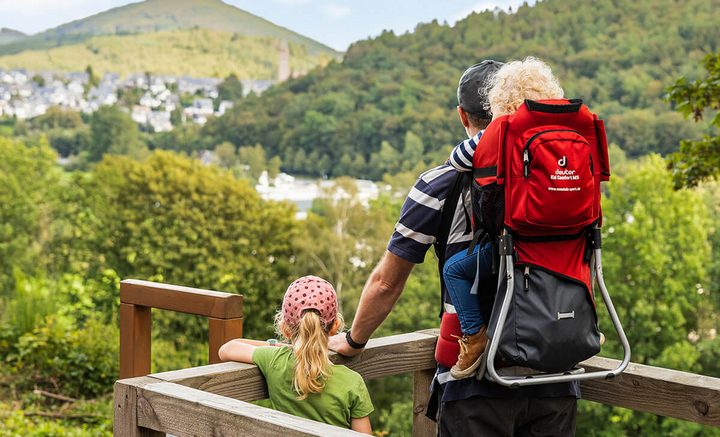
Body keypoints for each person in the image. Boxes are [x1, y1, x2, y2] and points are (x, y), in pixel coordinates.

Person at [329, 59, 579, 436]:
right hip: (557, 364)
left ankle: (475, 337)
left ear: (464, 116)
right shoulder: (563, 174)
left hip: (478, 383)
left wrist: (353, 340)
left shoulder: (439, 184)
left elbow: (386, 283)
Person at [444, 57, 566, 379]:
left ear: (500, 100)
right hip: (567, 251)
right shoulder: (563, 136)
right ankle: (579, 321)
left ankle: (475, 338)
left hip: (520, 249)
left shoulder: (502, 134)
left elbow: (455, 160)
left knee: (454, 269)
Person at [218, 275, 374, 435]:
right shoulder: (352, 383)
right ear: (335, 326)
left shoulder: (274, 360)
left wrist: (284, 347)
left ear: (285, 329)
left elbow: (227, 349)